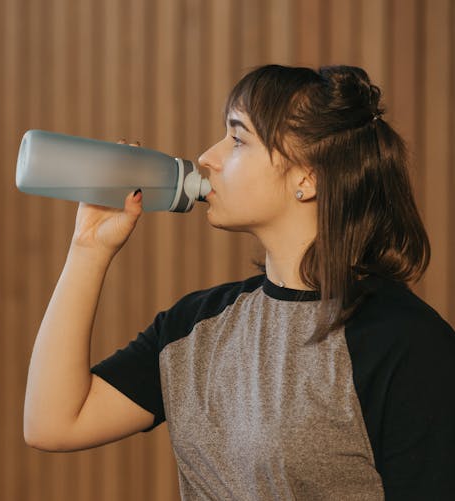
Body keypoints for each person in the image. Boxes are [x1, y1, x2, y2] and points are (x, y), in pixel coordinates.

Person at [22, 64, 455, 500]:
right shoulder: (196, 326)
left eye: (239, 138)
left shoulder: (403, 342)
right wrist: (89, 248)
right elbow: (54, 423)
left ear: (309, 178)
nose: (209, 156)